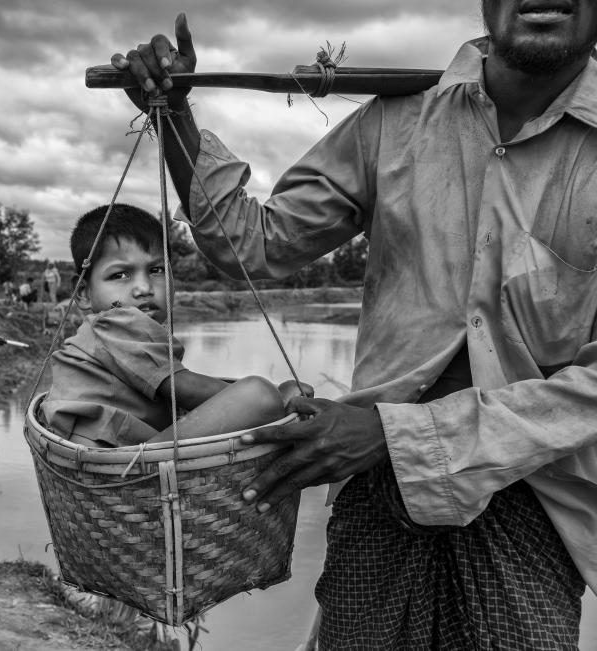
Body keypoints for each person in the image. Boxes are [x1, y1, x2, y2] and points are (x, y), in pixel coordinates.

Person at [112, 6, 597, 647]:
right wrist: (174, 117)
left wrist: (397, 436)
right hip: (374, 486)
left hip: (532, 490)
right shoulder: (394, 120)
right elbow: (252, 248)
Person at [40, 204, 305, 448]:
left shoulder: (100, 331)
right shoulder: (116, 320)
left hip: (113, 445)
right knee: (259, 394)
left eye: (156, 270)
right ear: (84, 293)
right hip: (114, 457)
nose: (144, 288)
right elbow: (186, 389)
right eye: (119, 275)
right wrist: (280, 398)